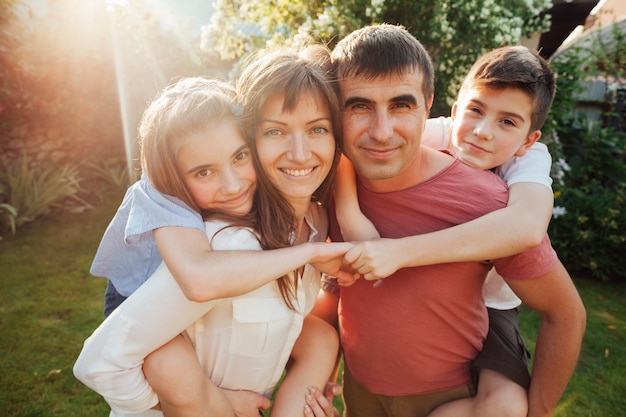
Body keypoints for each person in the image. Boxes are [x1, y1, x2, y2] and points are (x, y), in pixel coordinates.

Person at [312, 24, 586, 417]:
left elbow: (565, 314)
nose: (381, 132)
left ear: (428, 105)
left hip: (448, 398)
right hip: (357, 391)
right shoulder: (336, 183)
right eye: (358, 105)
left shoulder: (492, 203)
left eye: (402, 105)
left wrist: (537, 411)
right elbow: (336, 289)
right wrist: (318, 370)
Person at [74, 64, 349, 417]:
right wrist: (201, 401)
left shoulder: (314, 219)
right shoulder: (213, 241)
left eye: (239, 156)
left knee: (321, 339)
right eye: (204, 172)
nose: (233, 186)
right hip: (134, 300)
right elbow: (101, 361)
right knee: (168, 364)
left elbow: (290, 312)